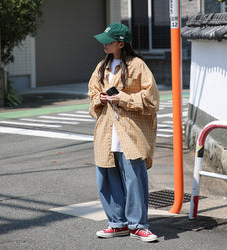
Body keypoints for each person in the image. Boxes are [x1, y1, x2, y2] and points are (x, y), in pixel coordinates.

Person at [88, 23, 160, 243]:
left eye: (108, 41)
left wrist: (124, 98)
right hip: (106, 131)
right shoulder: (102, 66)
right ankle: (117, 224)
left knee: (134, 179)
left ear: (121, 43)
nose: (104, 44)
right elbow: (91, 97)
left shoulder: (138, 65)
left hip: (130, 132)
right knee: (107, 179)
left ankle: (139, 225)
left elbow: (153, 100)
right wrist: (99, 99)